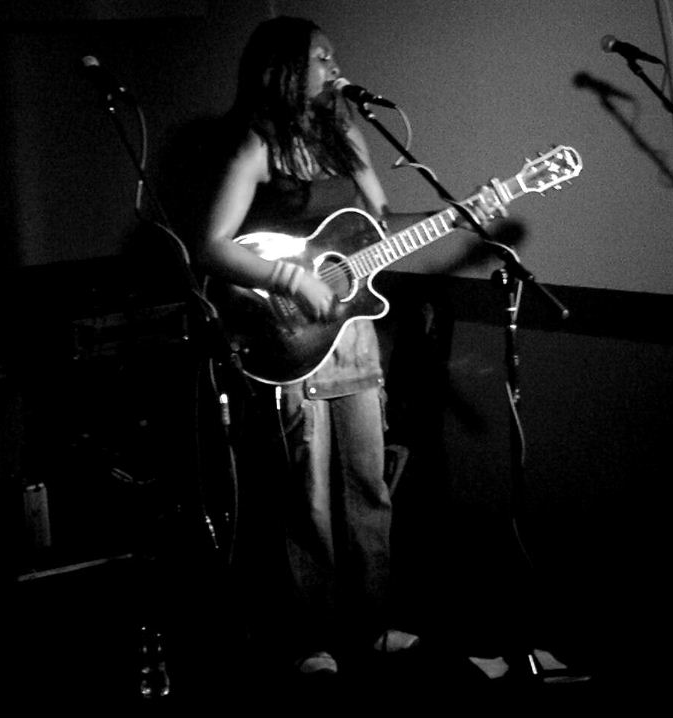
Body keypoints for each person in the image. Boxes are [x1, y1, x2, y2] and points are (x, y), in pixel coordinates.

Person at [193, 15, 503, 678]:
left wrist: (457, 216)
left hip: (352, 331)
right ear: (284, 69)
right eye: (321, 58)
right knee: (306, 495)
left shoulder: (347, 136)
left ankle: (372, 625)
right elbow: (212, 245)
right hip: (287, 334)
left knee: (369, 485)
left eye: (334, 57)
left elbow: (380, 228)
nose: (336, 68)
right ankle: (311, 639)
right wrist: (289, 279)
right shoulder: (257, 146)